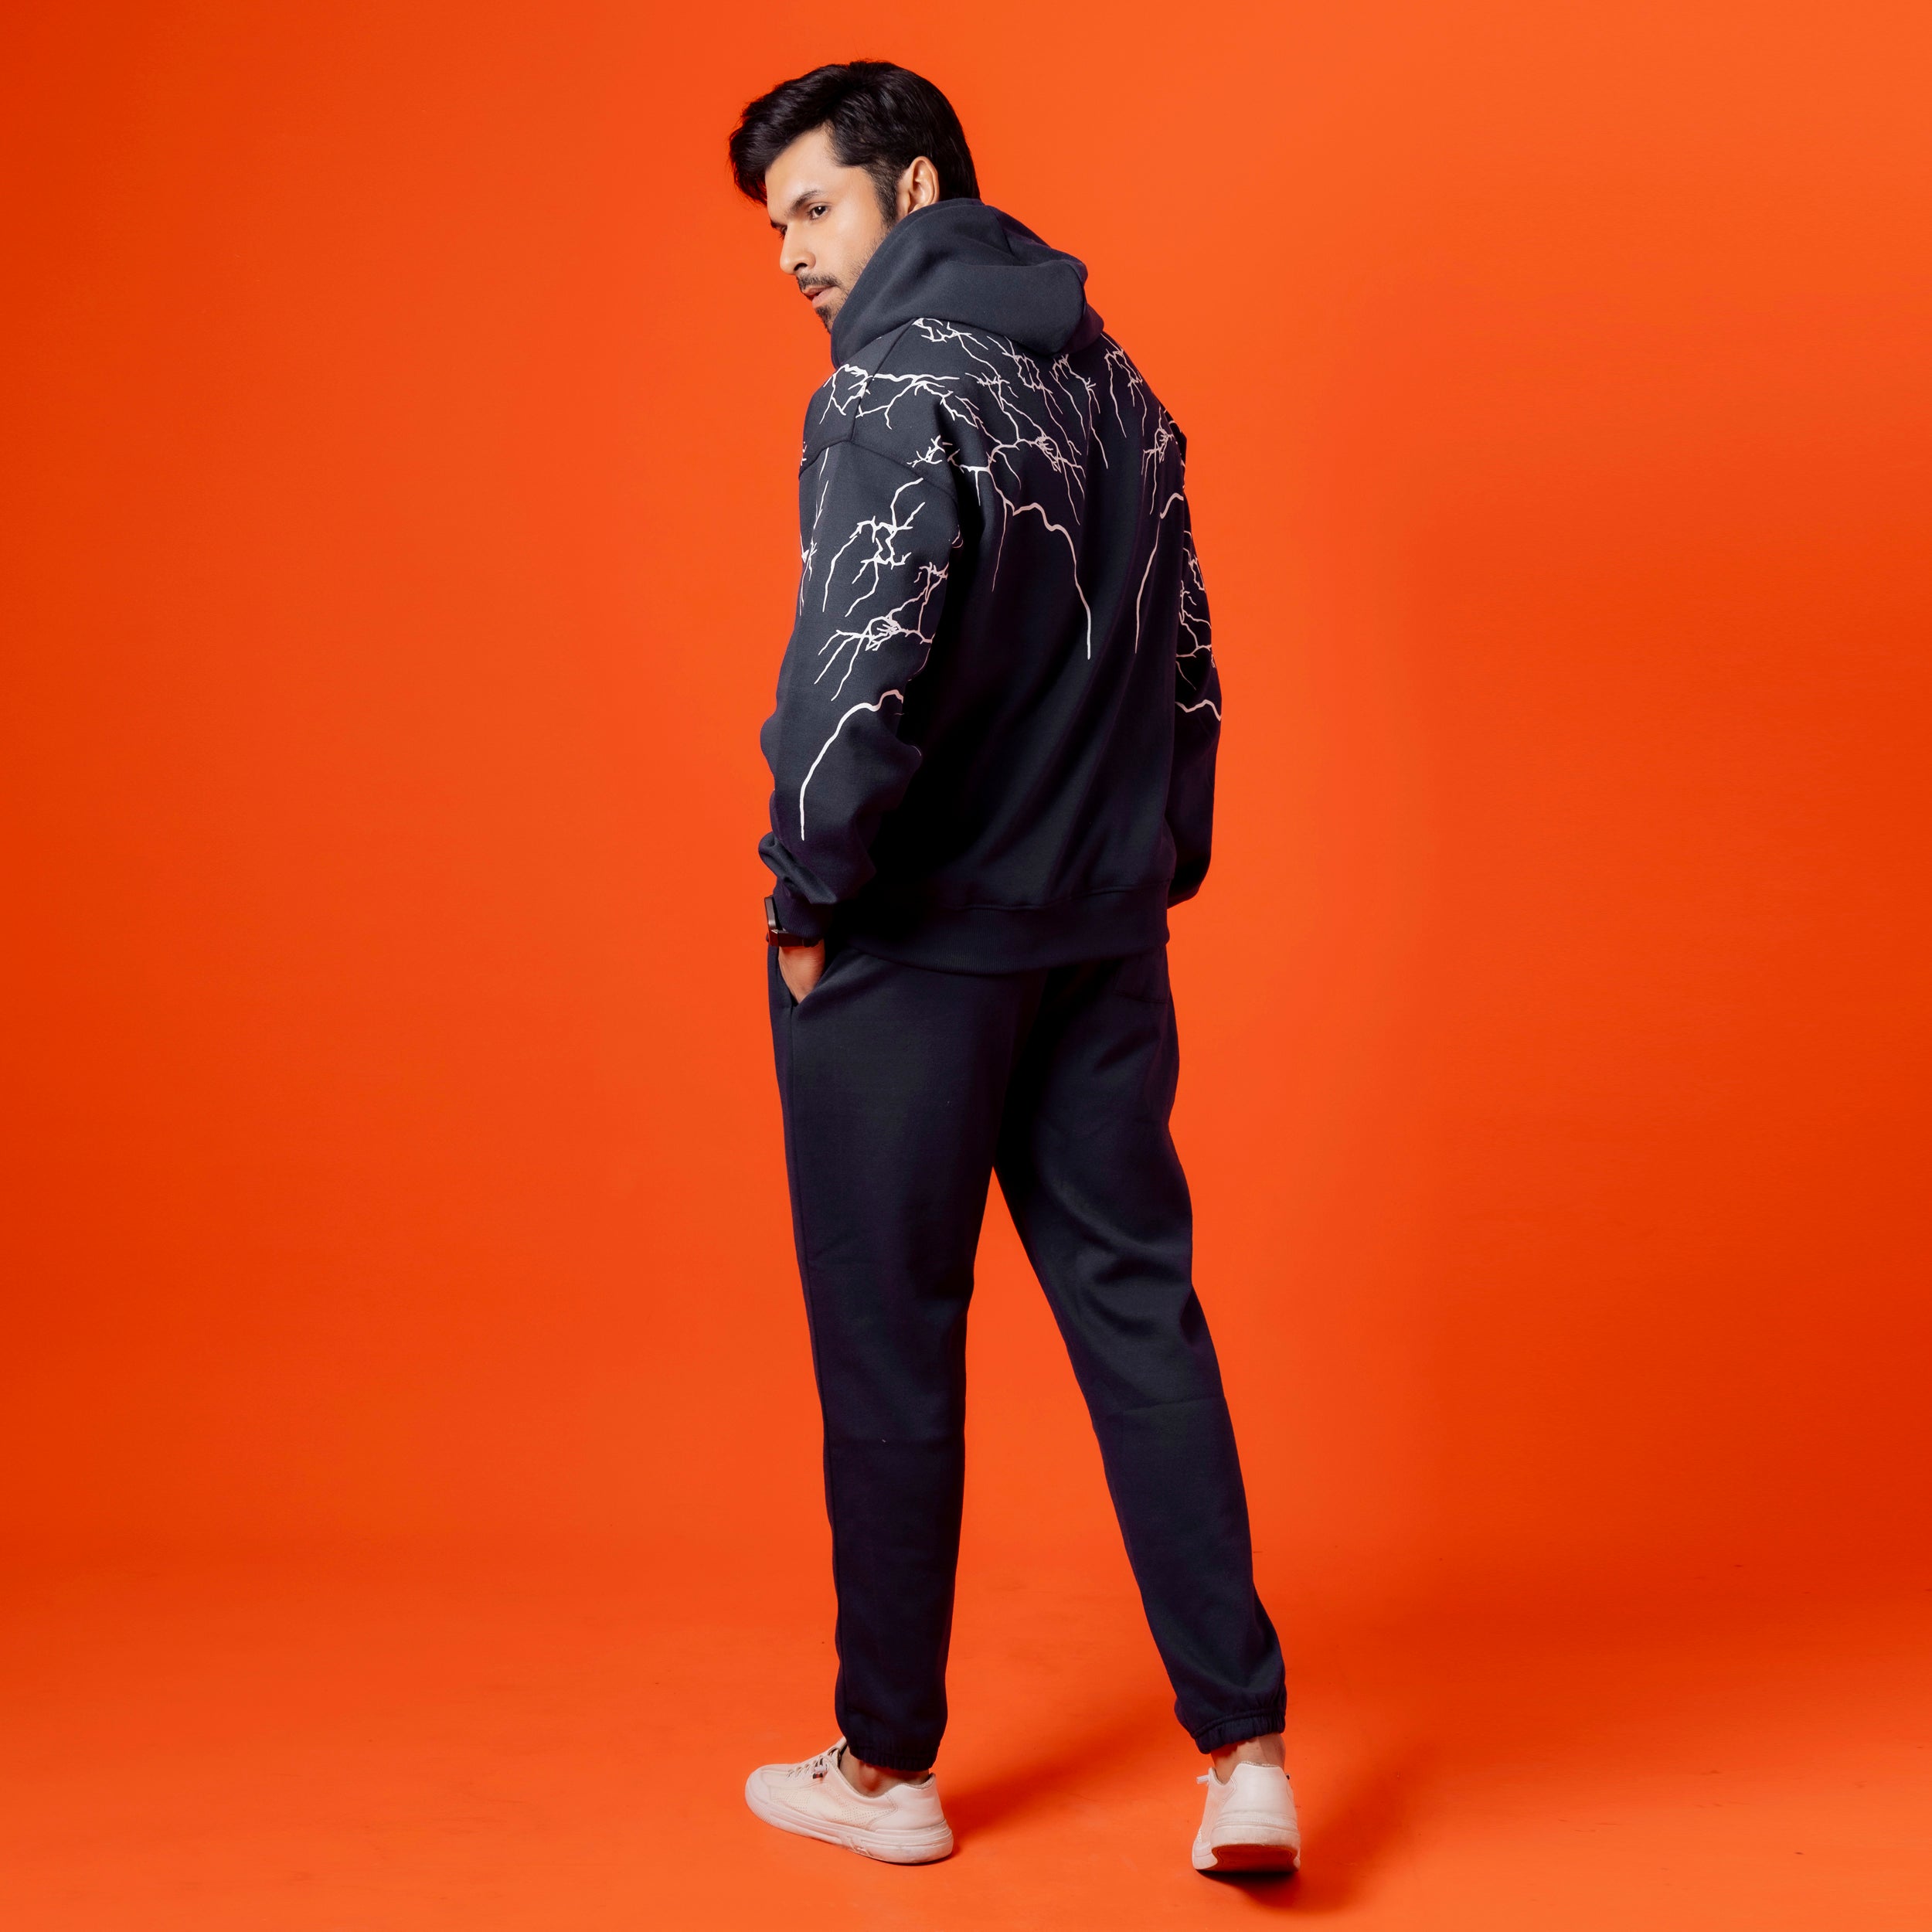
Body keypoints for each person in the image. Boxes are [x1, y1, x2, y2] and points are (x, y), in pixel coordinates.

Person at [726, 60, 1299, 1877]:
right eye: (773, 227)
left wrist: (804, 895)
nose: (791, 254)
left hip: (913, 961)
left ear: (911, 186)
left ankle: (885, 1766)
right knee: (1141, 1315)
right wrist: (1145, 867)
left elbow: (851, 676)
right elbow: (1186, 662)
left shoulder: (885, 392)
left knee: (892, 1346)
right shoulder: (1120, 386)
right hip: (1096, 942)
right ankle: (1247, 1750)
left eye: (813, 206)